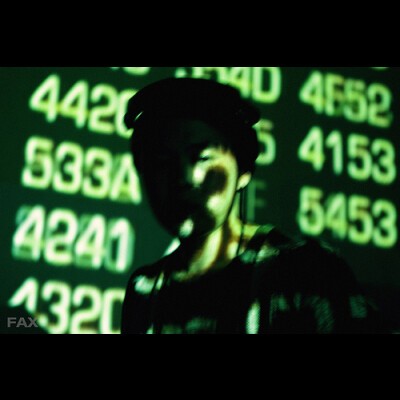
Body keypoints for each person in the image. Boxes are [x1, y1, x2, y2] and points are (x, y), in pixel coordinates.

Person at [121, 77, 389, 334]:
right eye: (161, 162)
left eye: (201, 157)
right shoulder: (145, 290)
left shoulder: (306, 269)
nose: (183, 178)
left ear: (244, 171)